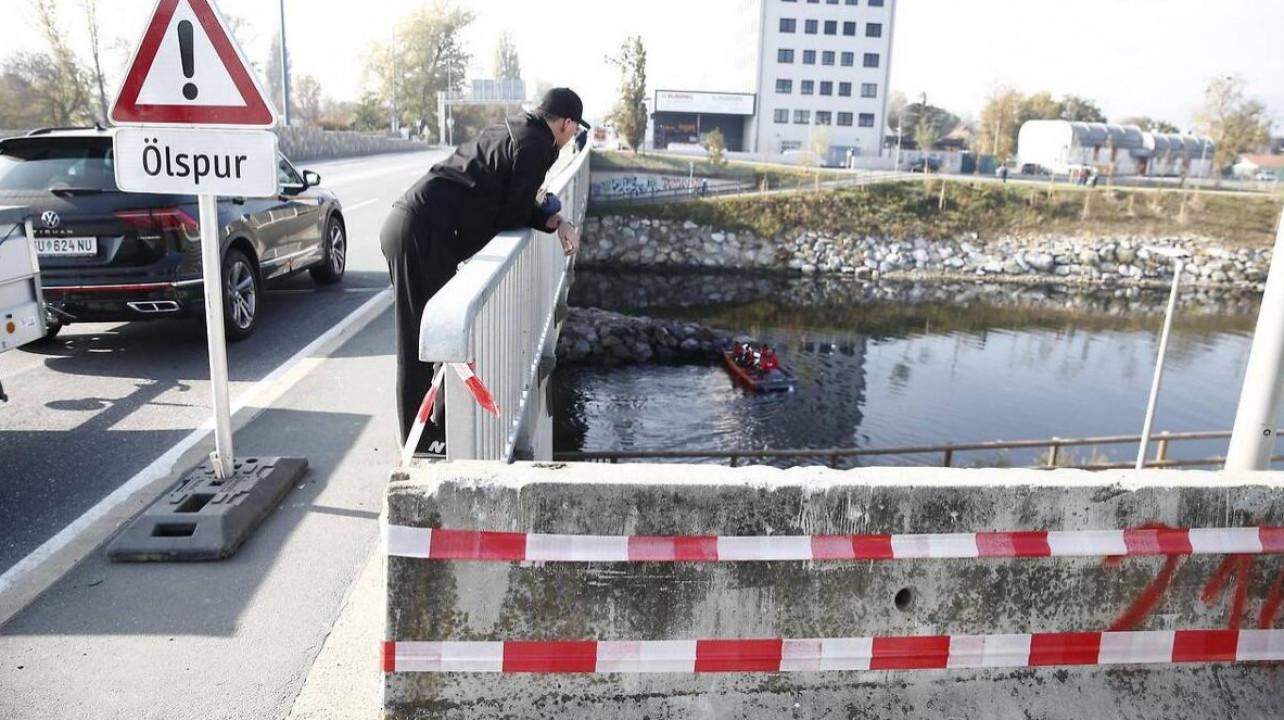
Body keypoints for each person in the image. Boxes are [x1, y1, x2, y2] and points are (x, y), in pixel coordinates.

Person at [380, 87, 590, 456]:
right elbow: (513, 213)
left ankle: (440, 427)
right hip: (419, 231)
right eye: (573, 129)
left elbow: (512, 200)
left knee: (442, 337)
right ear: (566, 123)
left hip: (420, 227)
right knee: (416, 341)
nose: (572, 136)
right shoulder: (538, 146)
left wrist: (550, 216)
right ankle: (417, 443)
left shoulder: (517, 131)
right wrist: (554, 220)